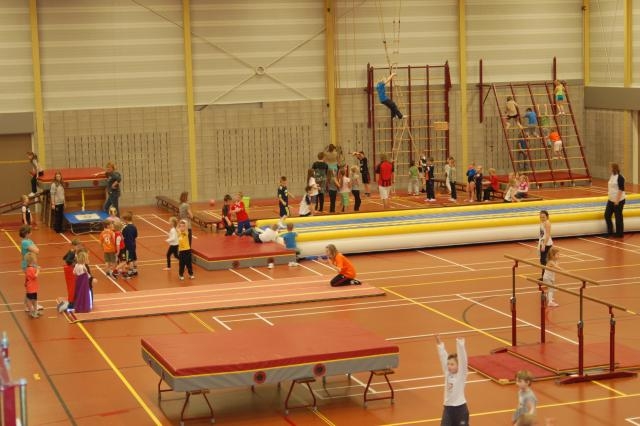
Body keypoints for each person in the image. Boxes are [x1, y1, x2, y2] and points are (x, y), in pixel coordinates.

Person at [436, 335, 469, 426]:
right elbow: (443, 357)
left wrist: (460, 344)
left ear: (458, 366)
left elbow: (463, 360)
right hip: (448, 409)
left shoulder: (461, 374)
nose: (449, 366)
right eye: (448, 364)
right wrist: (439, 343)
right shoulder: (447, 373)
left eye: (452, 364)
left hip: (461, 410)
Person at [604, 163, 626, 238]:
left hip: (619, 201)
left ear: (614, 168)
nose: (609, 169)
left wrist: (617, 201)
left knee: (618, 217)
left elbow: (621, 189)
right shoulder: (612, 176)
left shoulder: (620, 177)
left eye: (610, 167)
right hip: (611, 200)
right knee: (607, 215)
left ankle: (619, 234)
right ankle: (610, 232)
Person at [72, 249, 94, 313]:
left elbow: (74, 272)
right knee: (84, 294)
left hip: (78, 281)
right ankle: (84, 307)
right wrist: (91, 278)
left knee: (78, 294)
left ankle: (78, 307)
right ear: (84, 259)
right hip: (83, 282)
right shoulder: (83, 266)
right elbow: (86, 274)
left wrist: (78, 273)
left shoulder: (76, 265)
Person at [24, 252, 41, 318]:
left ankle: (34, 311)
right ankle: (32, 312)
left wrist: (36, 268)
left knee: (33, 299)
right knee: (32, 300)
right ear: (33, 260)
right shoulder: (30, 269)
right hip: (31, 287)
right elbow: (34, 276)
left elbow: (27, 277)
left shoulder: (29, 268)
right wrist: (38, 271)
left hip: (31, 287)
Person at [121, 212, 138, 277]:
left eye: (123, 220)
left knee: (129, 259)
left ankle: (130, 272)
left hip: (127, 246)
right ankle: (135, 271)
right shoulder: (134, 227)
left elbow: (122, 236)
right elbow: (136, 236)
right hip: (133, 244)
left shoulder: (125, 228)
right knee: (134, 258)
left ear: (126, 220)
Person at [539, 210, 553, 277]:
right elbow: (542, 234)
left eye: (543, 217)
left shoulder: (547, 223)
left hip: (546, 244)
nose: (542, 218)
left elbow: (547, 235)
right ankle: (544, 276)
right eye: (541, 217)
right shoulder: (542, 222)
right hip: (542, 243)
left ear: (547, 217)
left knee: (544, 261)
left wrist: (544, 245)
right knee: (542, 261)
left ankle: (545, 276)